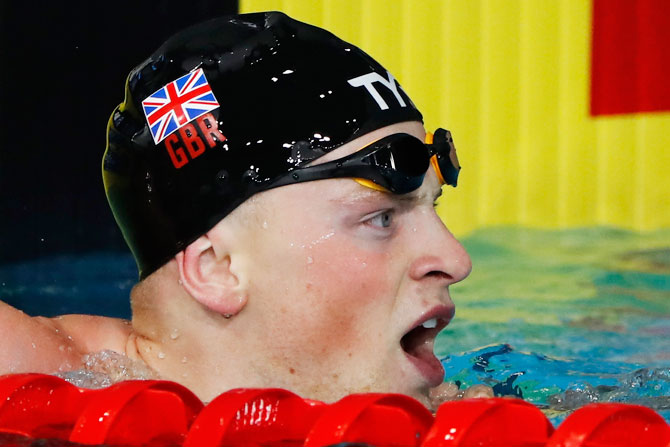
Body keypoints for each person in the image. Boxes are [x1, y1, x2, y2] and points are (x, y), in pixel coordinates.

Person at [0, 11, 490, 409]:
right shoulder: (38, 373)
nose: (455, 259)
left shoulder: (469, 407)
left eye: (433, 205)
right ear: (218, 269)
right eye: (381, 218)